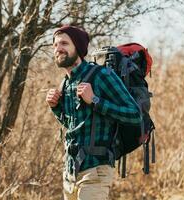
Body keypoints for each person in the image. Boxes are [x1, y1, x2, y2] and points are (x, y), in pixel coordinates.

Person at [46, 25, 141, 200]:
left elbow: (135, 115)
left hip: (96, 169)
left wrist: (95, 100)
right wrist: (55, 107)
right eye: (55, 45)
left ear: (78, 48)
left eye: (64, 43)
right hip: (70, 172)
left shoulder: (101, 75)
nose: (58, 48)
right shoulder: (66, 83)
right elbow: (74, 126)